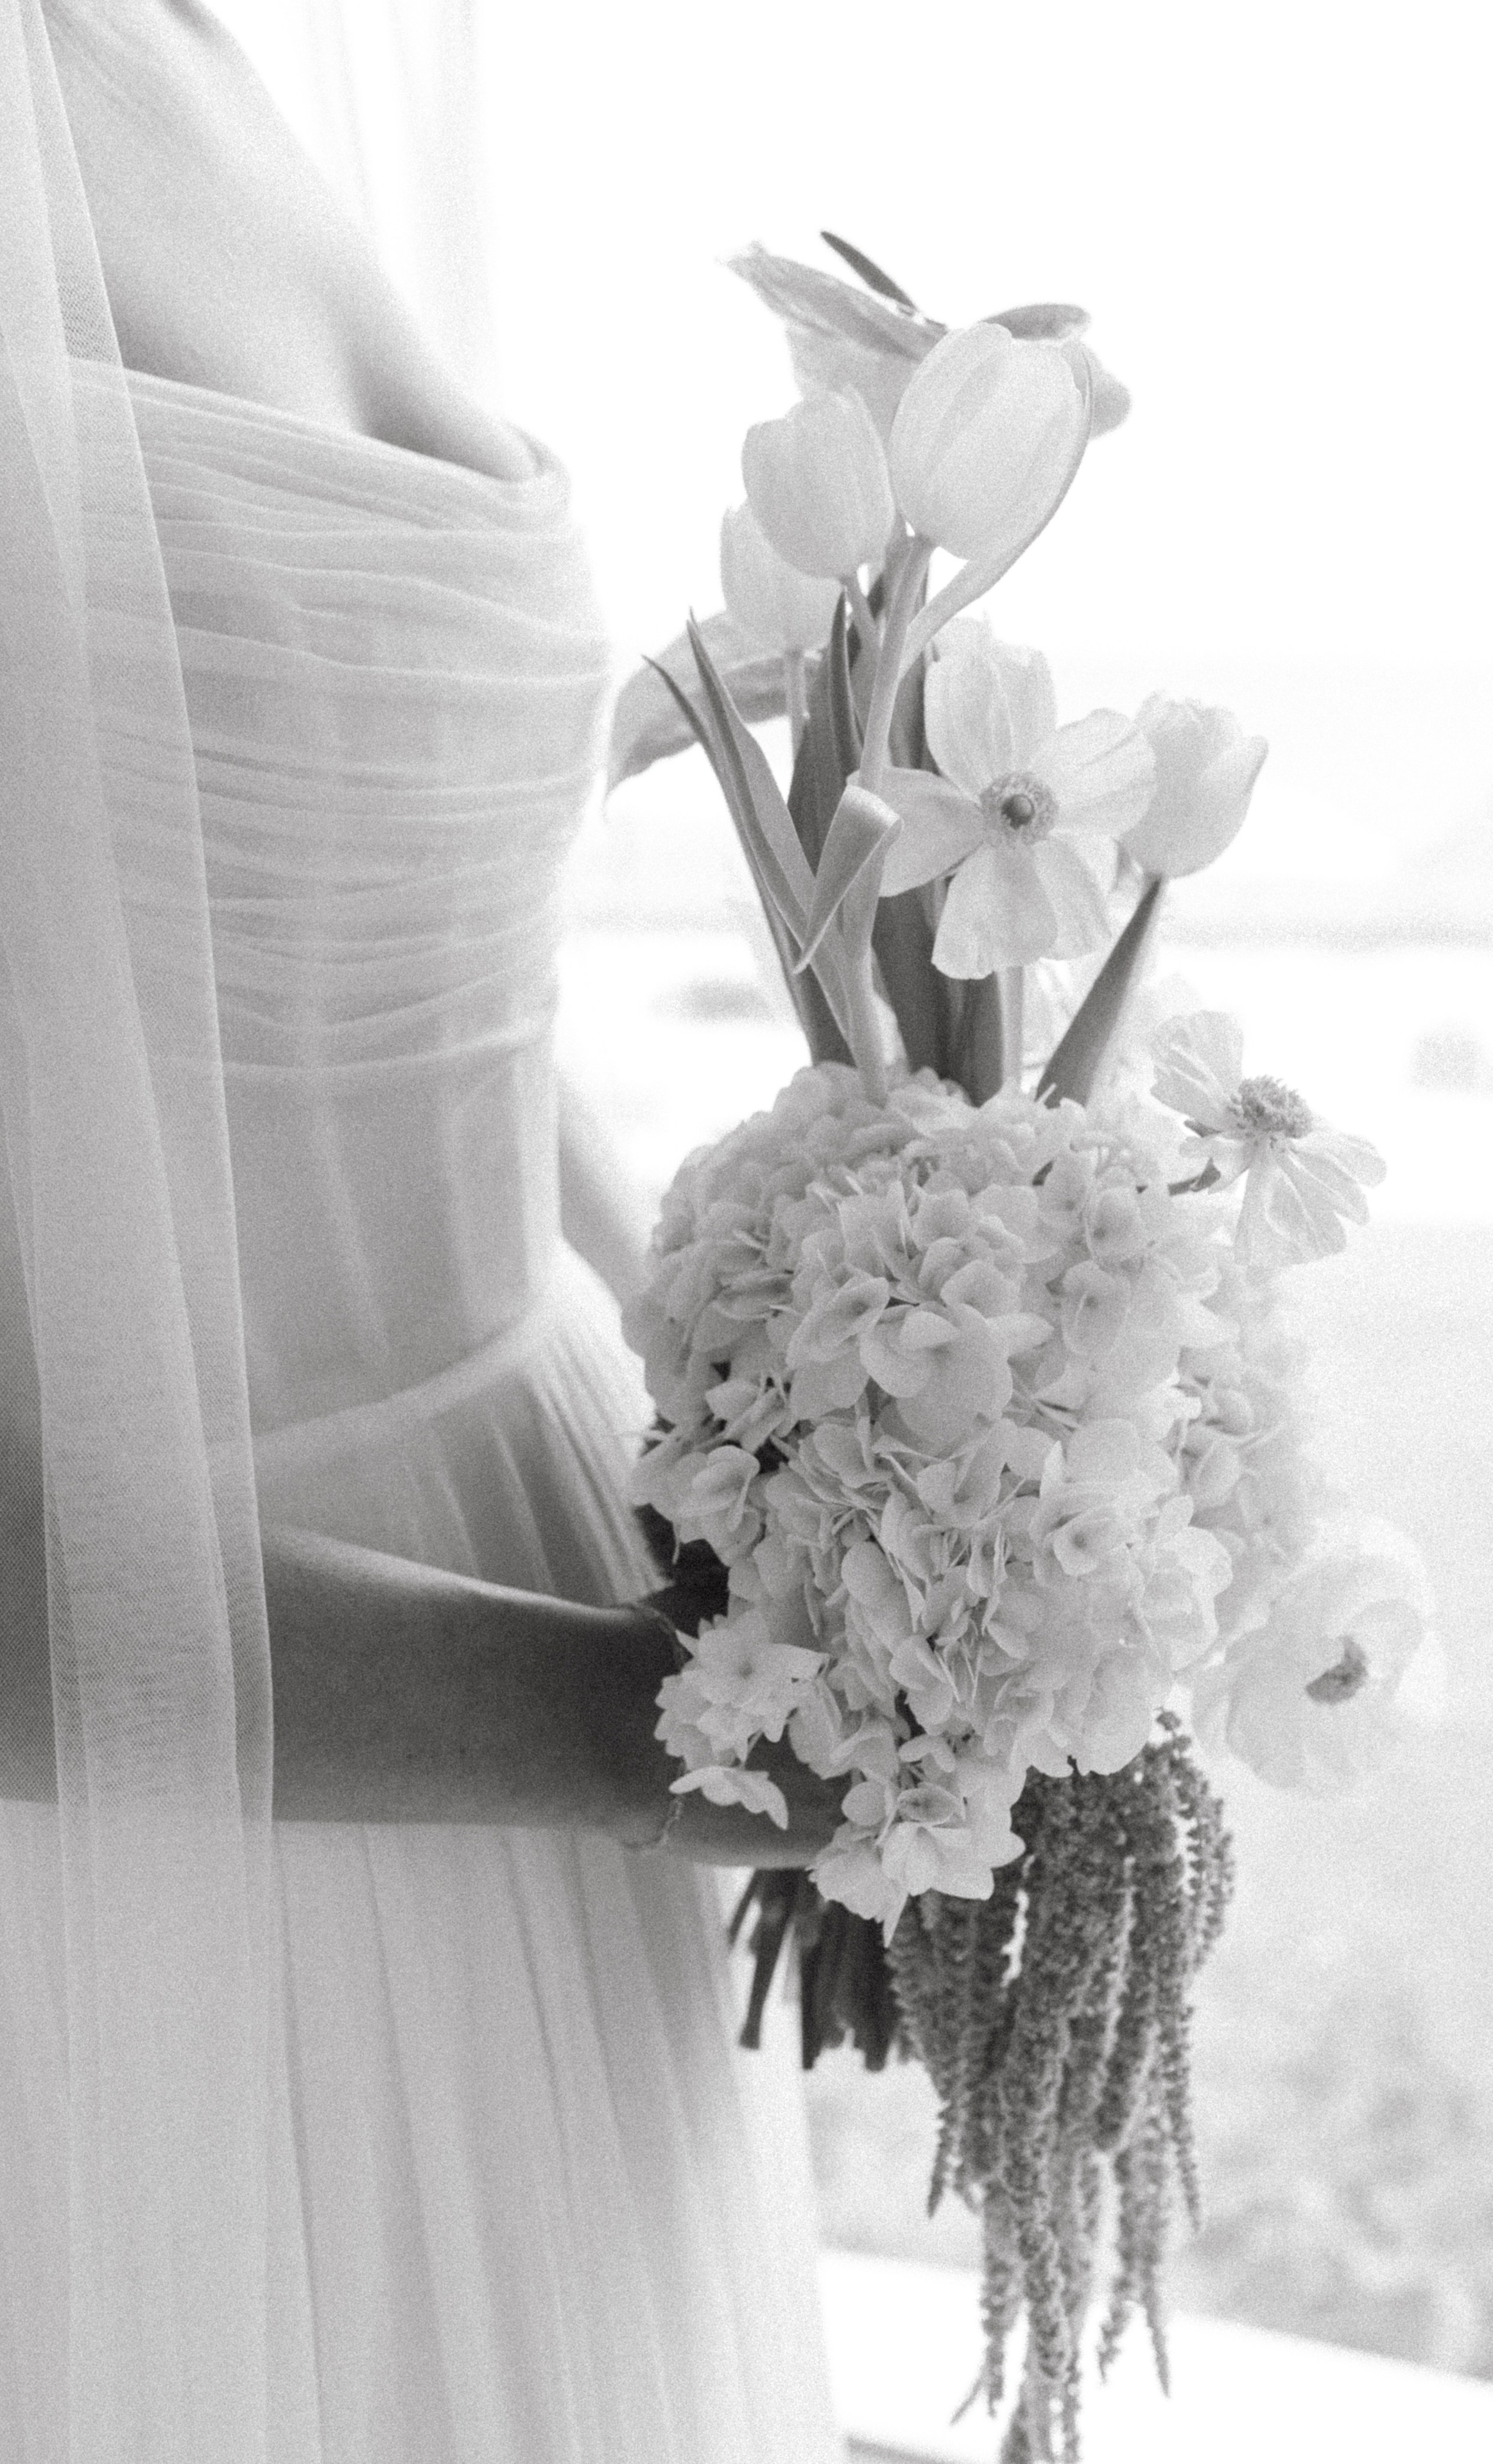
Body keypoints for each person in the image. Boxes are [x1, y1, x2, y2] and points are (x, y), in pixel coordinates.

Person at [0, 0, 845, 2454]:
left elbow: (381, 996)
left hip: (561, 1741)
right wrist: (666, 1731)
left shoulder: (232, 43)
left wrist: (835, 1420)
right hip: (210, 1851)